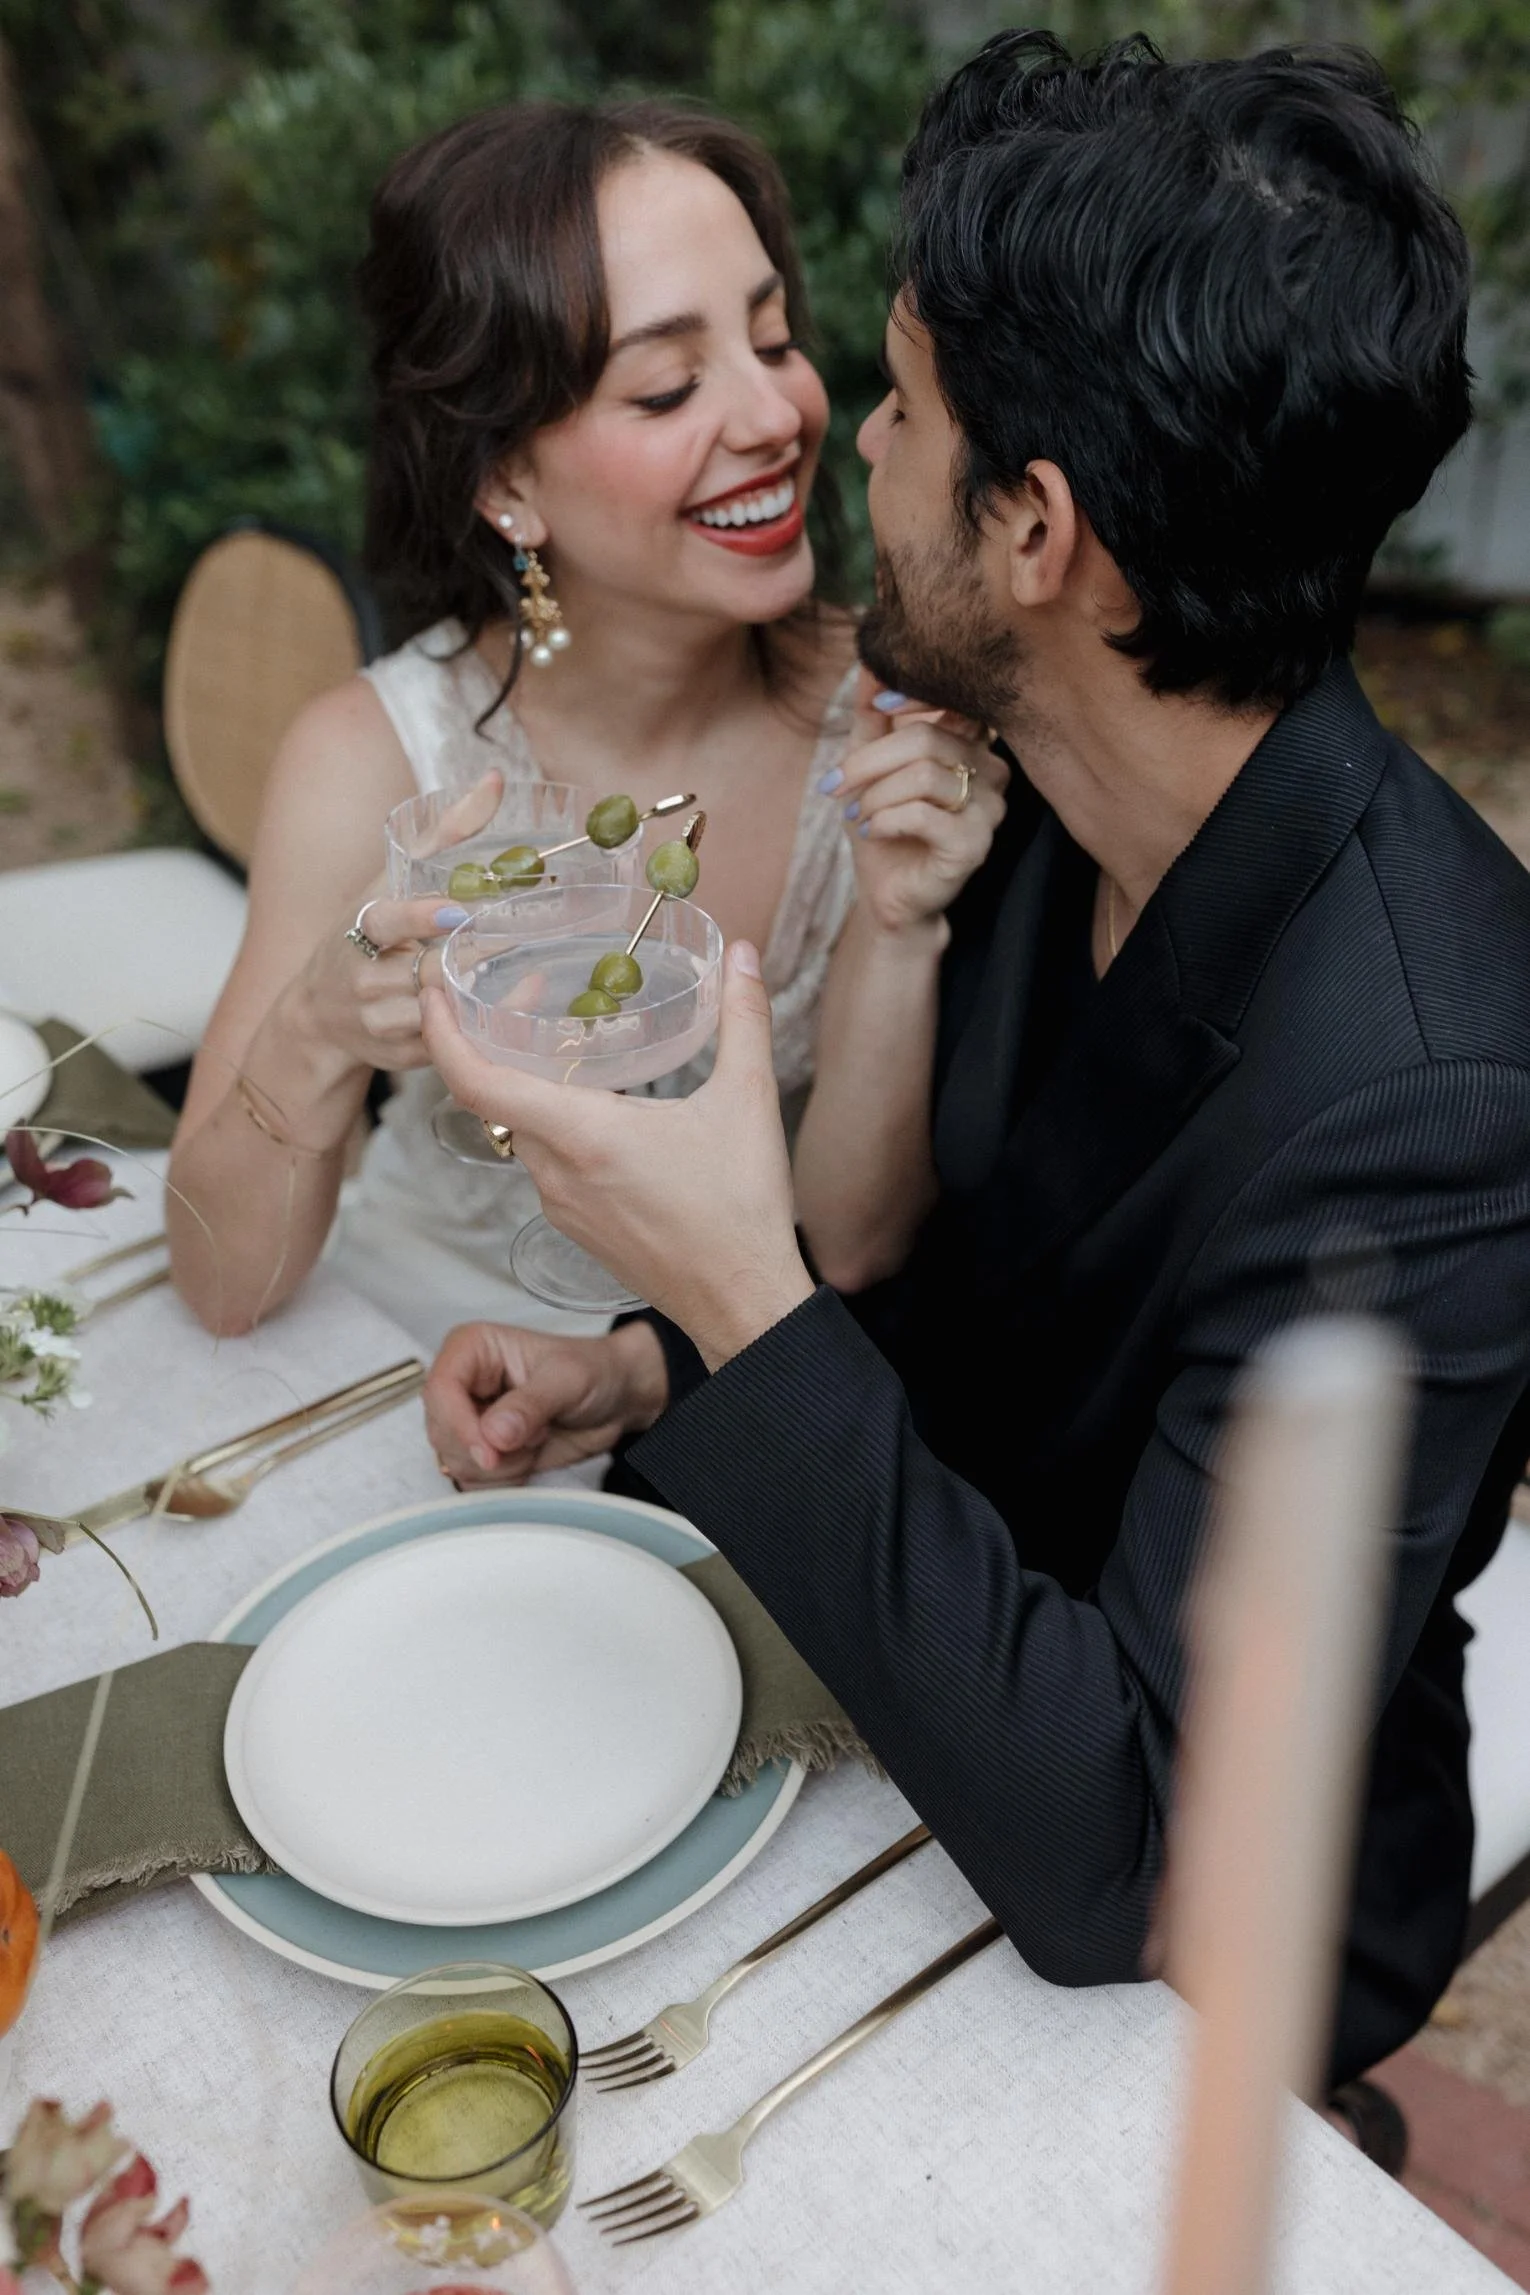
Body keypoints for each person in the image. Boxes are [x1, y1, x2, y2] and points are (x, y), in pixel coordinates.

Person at [418, 33, 1530, 2085]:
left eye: (906, 411)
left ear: (1040, 531)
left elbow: (1133, 1850)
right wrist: (656, 1361)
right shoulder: (1032, 777)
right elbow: (1006, 1289)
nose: (854, 449)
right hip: (921, 1666)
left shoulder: (1438, 1097)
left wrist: (744, 1289)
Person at [166, 98, 897, 1350]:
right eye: (669, 388)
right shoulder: (374, 757)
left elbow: (854, 1246)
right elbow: (223, 1284)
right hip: (392, 1353)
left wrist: (901, 913)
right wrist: (322, 1029)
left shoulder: (892, 732)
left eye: (771, 341)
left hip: (732, 1391)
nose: (775, 417)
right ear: (505, 482)